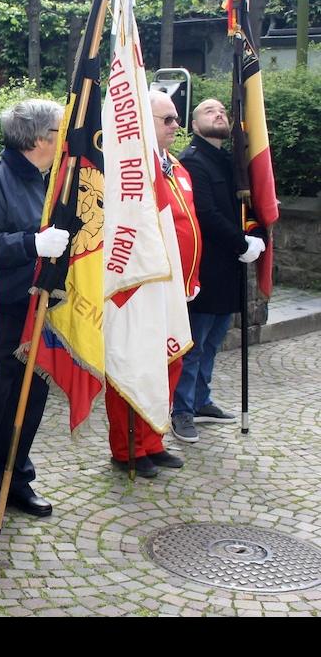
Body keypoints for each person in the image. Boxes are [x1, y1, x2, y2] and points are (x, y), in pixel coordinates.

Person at [0, 99, 68, 526]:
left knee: (32, 400)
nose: (64, 141)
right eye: (60, 133)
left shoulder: (52, 181)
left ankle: (19, 477)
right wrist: (31, 243)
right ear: (38, 139)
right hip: (6, 311)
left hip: (41, 309)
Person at [105, 89, 201, 476]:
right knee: (135, 366)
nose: (176, 126)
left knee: (167, 364)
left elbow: (188, 226)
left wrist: (191, 277)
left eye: (177, 119)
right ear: (143, 121)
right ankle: (128, 449)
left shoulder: (175, 166)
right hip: (140, 286)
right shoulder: (130, 171)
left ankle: (153, 439)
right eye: (168, 120)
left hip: (173, 287)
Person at [172, 98, 266, 442]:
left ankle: (200, 400)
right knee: (193, 345)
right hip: (204, 269)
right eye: (209, 112)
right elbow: (206, 216)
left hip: (229, 269)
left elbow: (244, 205)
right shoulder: (192, 162)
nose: (220, 114)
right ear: (195, 125)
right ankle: (181, 410)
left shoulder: (231, 162)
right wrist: (242, 244)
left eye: (223, 111)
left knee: (212, 342)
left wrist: (253, 235)